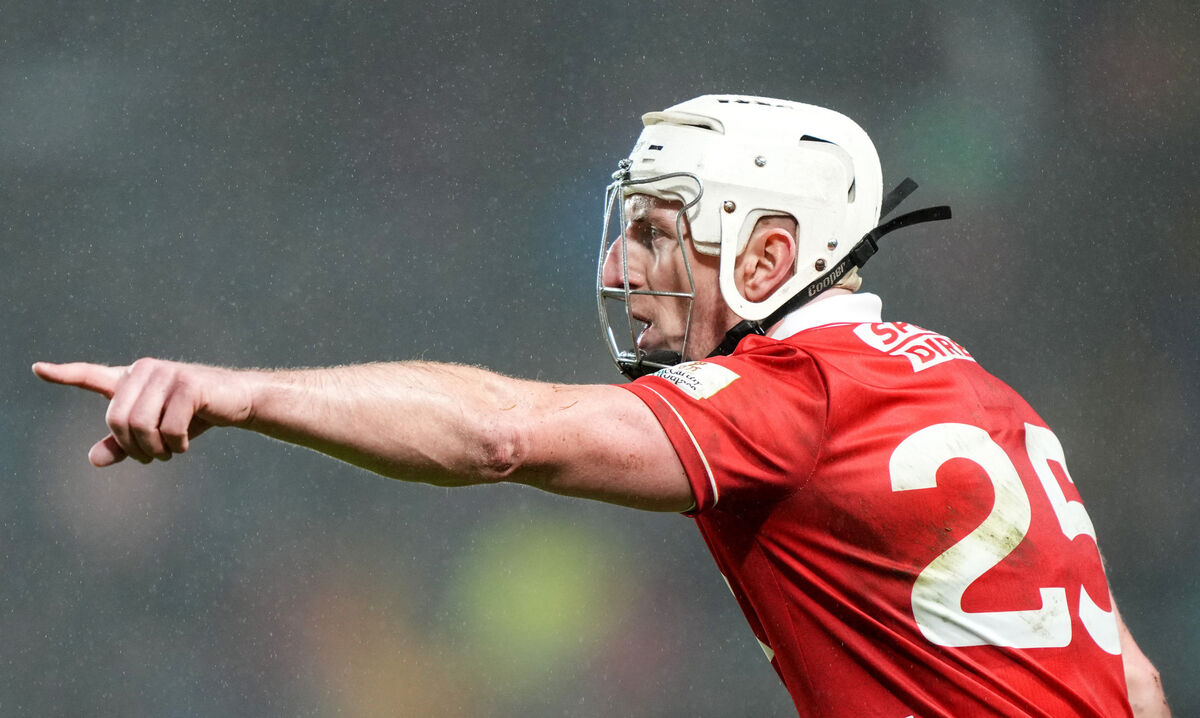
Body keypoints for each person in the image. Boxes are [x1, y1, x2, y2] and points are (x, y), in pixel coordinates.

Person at [35, 95, 1170, 717]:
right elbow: (1131, 679)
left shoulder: (798, 394)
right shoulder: (984, 393)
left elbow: (500, 435)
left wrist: (242, 393)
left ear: (773, 256)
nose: (626, 271)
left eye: (660, 235)